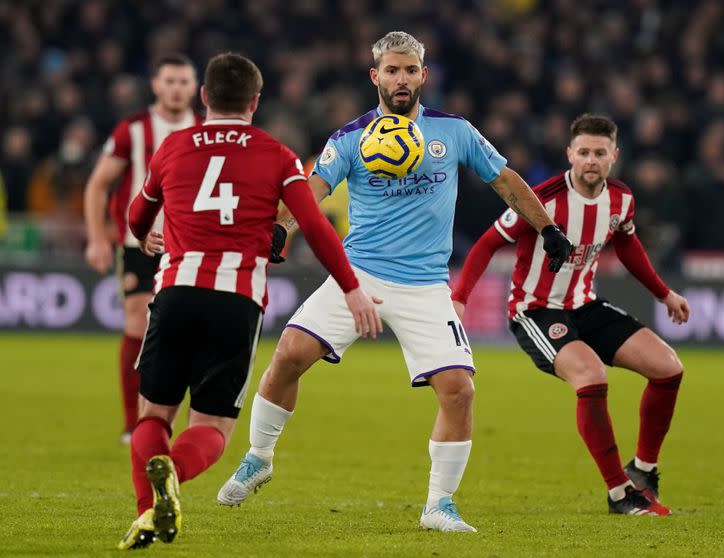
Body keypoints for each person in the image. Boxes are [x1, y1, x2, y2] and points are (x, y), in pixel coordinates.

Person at [217, 31, 572, 533]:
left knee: (459, 391)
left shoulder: (455, 132)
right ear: (375, 76)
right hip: (358, 275)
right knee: (288, 355)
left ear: (423, 76)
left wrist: (548, 227)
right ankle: (259, 456)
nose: (401, 79)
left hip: (426, 285)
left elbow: (506, 180)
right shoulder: (350, 138)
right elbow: (312, 187)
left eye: (410, 70)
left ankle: (439, 506)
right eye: (392, 70)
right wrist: (281, 227)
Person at [117, 52, 381, 550]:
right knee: (213, 427)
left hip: (174, 293)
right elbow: (316, 226)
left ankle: (148, 512)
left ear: (203, 97)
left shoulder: (173, 146)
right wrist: (351, 288)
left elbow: (136, 215)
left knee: (153, 416)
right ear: (255, 102)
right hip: (235, 301)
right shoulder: (277, 156)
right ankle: (172, 475)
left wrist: (146, 234)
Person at [450, 113, 689, 516]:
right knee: (591, 375)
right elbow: (487, 244)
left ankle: (644, 470)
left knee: (668, 368)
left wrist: (664, 294)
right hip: (536, 310)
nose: (591, 160)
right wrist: (460, 298)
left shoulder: (621, 199)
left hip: (584, 303)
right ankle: (619, 494)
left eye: (599, 152)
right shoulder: (540, 198)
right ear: (570, 155)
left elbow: (628, 246)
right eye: (583, 152)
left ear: (614, 155)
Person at [83, 53, 201, 444]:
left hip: (187, 246)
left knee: (183, 330)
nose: (177, 89)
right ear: (155, 85)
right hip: (138, 243)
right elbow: (99, 184)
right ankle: (132, 423)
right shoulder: (132, 130)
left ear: (196, 87)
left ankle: (171, 417)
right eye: (170, 81)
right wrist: (98, 237)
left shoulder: (202, 130)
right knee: (137, 319)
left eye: (184, 82)